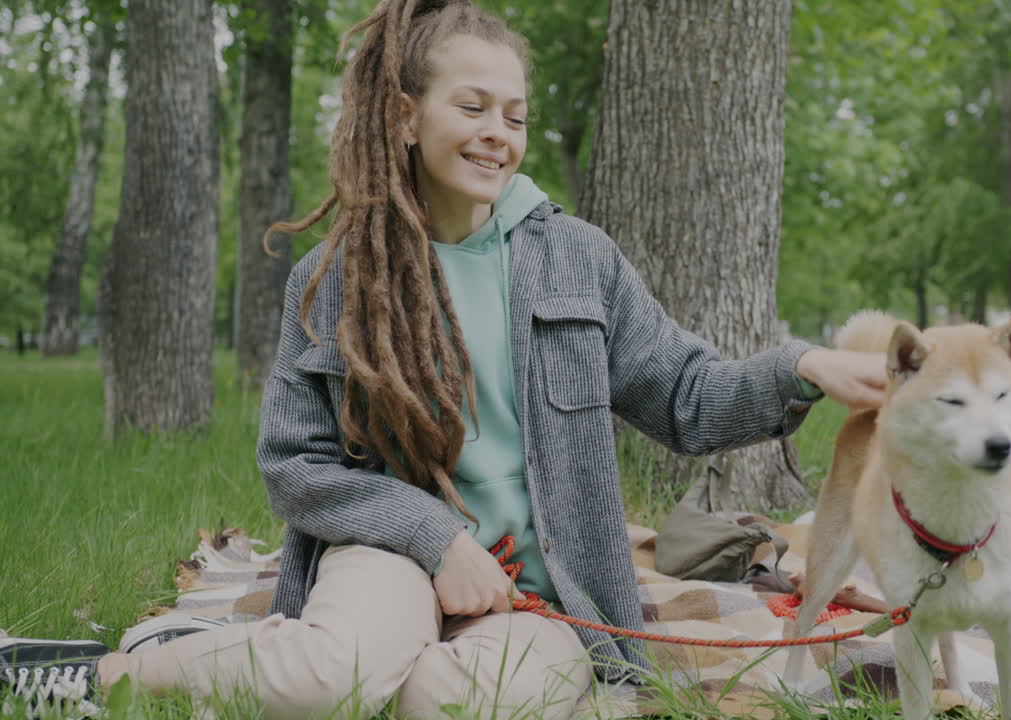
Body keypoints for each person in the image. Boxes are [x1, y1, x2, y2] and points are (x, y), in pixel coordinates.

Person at [0, 1, 887, 718]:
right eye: (471, 107)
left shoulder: (578, 259)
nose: (497, 132)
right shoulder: (337, 275)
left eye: (515, 115)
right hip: (390, 551)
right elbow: (293, 464)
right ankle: (115, 673)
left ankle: (352, 663)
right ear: (405, 114)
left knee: (455, 701)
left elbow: (687, 397)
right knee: (337, 675)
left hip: (541, 590)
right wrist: (436, 538)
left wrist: (798, 368)